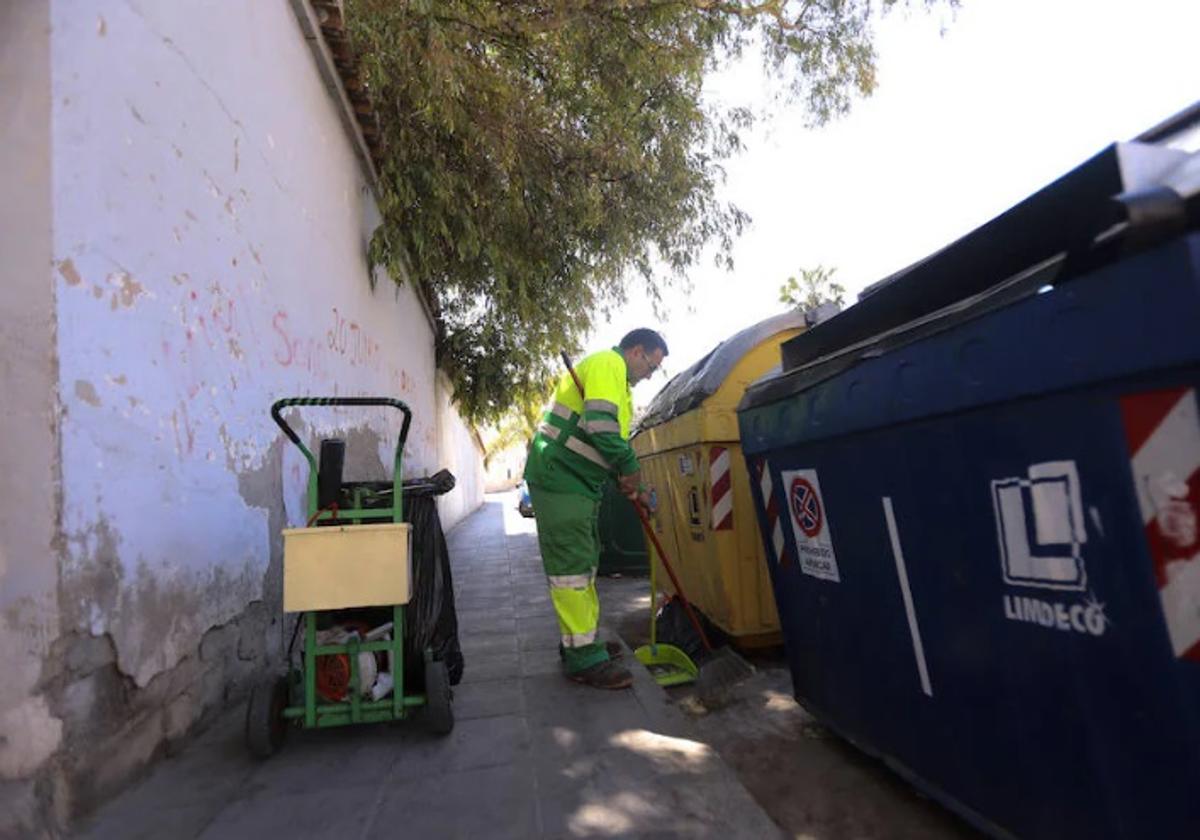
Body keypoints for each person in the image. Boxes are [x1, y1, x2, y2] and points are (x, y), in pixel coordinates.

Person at [523, 328, 667, 689]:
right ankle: (583, 659)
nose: (651, 374)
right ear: (637, 351)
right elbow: (602, 427)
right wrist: (629, 465)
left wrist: (628, 477)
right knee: (571, 569)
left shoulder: (621, 385)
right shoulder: (608, 364)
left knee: (583, 565)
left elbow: (606, 441)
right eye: (652, 365)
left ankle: (581, 643)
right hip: (561, 479)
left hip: (578, 482)